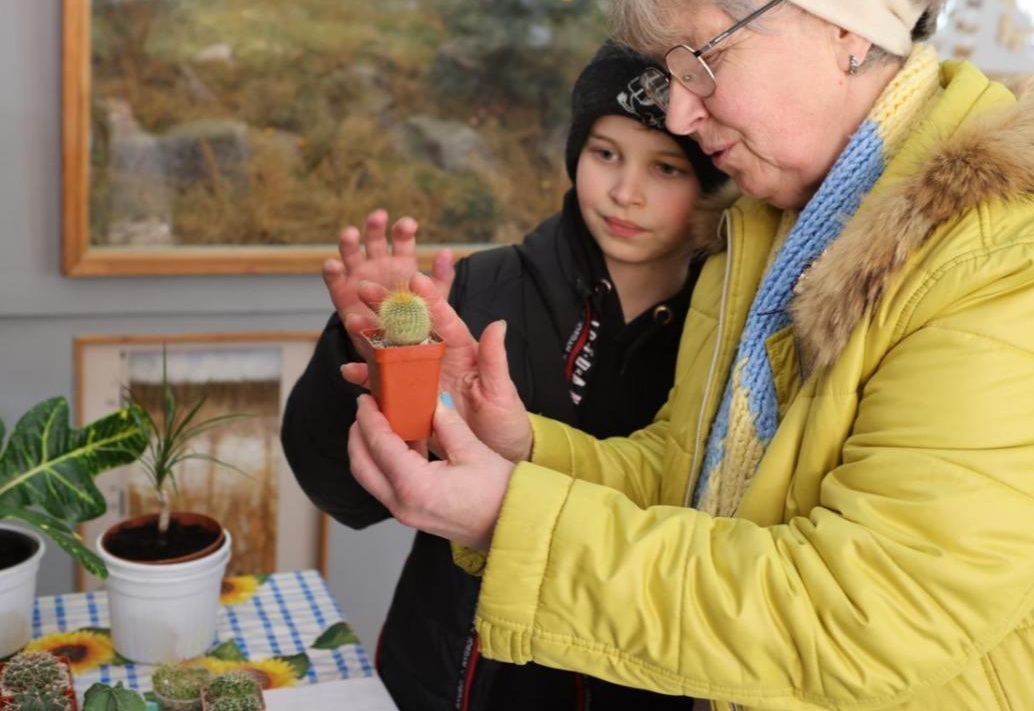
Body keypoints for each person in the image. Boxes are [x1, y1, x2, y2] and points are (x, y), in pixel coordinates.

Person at [340, 0, 1034, 709]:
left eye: (702, 61)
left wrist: (508, 519)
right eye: (668, 76)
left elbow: (867, 616)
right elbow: (691, 474)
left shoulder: (1021, 262)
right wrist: (521, 451)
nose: (680, 116)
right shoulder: (767, 229)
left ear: (844, 28)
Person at [282, 41, 729, 710]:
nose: (625, 192)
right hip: (454, 678)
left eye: (666, 167)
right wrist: (369, 347)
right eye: (605, 153)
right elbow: (346, 497)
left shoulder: (725, 330)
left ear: (712, 181)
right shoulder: (478, 288)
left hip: (636, 680)